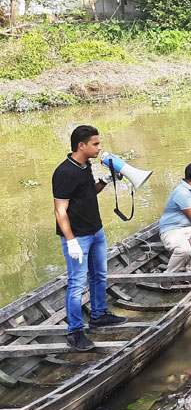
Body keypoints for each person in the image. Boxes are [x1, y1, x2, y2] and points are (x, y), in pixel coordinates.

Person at [53, 125, 126, 351]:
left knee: (100, 275)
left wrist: (104, 180)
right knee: (76, 284)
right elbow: (60, 210)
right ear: (81, 145)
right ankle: (74, 332)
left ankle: (98, 314)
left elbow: (88, 192)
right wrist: (71, 240)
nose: (99, 147)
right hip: (78, 237)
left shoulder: (85, 166)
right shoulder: (64, 172)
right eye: (95, 144)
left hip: (96, 231)